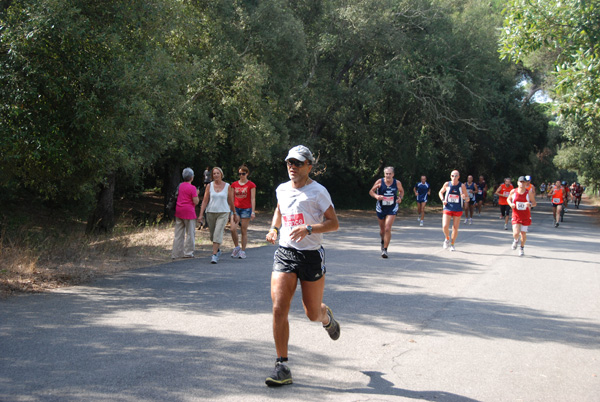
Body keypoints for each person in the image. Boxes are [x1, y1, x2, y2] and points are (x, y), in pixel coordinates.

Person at [264, 145, 340, 387]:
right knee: (278, 307)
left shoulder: (319, 192)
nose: (292, 167)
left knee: (311, 313)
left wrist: (309, 228)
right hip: (285, 253)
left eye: (297, 163)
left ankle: (326, 317)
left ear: (309, 166)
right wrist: (274, 229)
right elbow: (279, 210)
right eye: (289, 162)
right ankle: (282, 365)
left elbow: (333, 223)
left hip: (311, 256)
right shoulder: (282, 189)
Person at [198, 167, 238, 263]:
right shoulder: (209, 186)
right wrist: (200, 215)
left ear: (221, 174)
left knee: (217, 233)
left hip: (223, 212)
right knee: (212, 235)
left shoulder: (227, 186)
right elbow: (205, 201)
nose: (216, 175)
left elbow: (230, 201)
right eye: (214, 174)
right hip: (211, 212)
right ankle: (218, 250)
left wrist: (234, 213)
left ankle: (214, 255)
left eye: (217, 173)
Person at [369, 167, 405, 258]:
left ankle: (385, 250)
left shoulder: (397, 183)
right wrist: (376, 196)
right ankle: (382, 241)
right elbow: (371, 191)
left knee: (387, 228)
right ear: (384, 174)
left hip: (392, 208)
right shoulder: (379, 182)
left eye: (390, 174)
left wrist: (400, 198)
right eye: (386, 174)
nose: (388, 175)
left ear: (393, 174)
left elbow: (401, 191)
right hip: (381, 207)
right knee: (382, 231)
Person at [171, 168, 200, 259]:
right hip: (189, 212)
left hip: (179, 210)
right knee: (190, 233)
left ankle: (176, 253)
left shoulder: (180, 186)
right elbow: (196, 201)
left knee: (178, 233)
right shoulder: (192, 188)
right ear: (192, 177)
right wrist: (197, 194)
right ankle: (188, 252)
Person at [230, 165, 257, 259]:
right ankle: (236, 247)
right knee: (233, 228)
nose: (241, 175)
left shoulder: (251, 185)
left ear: (247, 174)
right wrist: (232, 210)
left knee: (243, 230)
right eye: (240, 174)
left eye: (243, 174)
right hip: (236, 208)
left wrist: (253, 211)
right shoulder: (234, 184)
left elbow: (253, 199)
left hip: (246, 209)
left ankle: (243, 250)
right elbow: (232, 198)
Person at [439, 170, 469, 251]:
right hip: (448, 207)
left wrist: (464, 197)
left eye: (456, 176)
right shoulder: (447, 184)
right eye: (452, 175)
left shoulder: (462, 186)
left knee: (455, 228)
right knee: (445, 226)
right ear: (450, 176)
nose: (454, 177)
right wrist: (443, 200)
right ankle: (447, 238)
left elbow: (468, 198)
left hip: (457, 208)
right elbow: (440, 192)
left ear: (458, 177)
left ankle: (452, 244)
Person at [508, 176, 537, 256]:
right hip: (516, 215)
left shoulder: (529, 193)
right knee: (516, 233)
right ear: (517, 183)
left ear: (526, 183)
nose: (522, 183)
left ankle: (521, 248)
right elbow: (508, 199)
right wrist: (511, 204)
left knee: (523, 234)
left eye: (523, 182)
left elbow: (534, 203)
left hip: (525, 216)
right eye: (520, 182)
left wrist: (530, 204)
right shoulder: (513, 191)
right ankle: (516, 240)